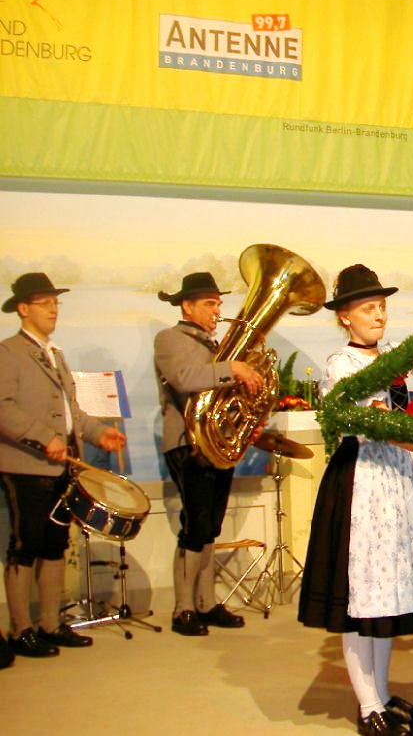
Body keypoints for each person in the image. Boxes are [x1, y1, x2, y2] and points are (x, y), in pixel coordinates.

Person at [299, 264, 413, 736]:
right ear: (345, 317)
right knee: (362, 598)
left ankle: (380, 695)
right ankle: (368, 707)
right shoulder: (342, 365)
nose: (379, 314)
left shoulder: (393, 356)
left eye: (381, 306)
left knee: (383, 599)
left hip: (399, 483)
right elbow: (384, 428)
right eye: (368, 308)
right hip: (364, 484)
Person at [0, 273, 127, 658]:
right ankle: (21, 629)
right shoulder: (8, 352)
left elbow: (73, 413)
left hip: (61, 470)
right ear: (24, 309)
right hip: (25, 467)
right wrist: (43, 438)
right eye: (45, 303)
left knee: (55, 545)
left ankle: (50, 624)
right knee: (25, 545)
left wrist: (99, 433)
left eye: (56, 302)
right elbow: (3, 409)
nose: (53, 309)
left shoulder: (56, 354)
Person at [154, 271, 264, 637]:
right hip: (186, 443)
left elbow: (222, 394)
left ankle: (205, 602)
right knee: (196, 525)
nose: (217, 310)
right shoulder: (169, 338)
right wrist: (232, 368)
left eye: (218, 303)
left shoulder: (216, 346)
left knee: (210, 526)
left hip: (216, 443)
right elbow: (184, 377)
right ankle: (183, 608)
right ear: (186, 306)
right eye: (209, 303)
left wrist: (247, 419)